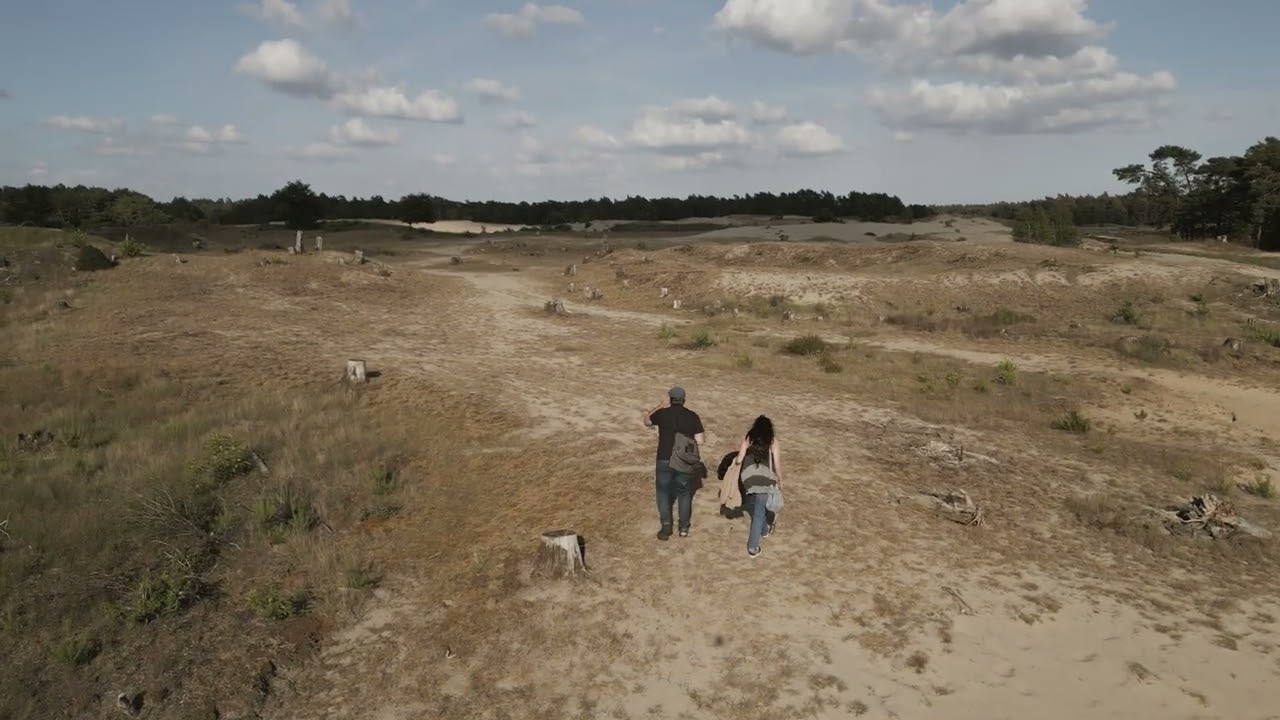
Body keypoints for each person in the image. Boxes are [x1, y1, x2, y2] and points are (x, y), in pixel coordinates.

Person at [643, 386, 705, 541]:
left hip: (664, 458)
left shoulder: (662, 414)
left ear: (670, 398)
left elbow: (646, 421)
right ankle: (683, 528)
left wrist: (659, 405)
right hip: (683, 461)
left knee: (663, 493)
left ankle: (666, 527)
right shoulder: (692, 416)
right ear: (684, 400)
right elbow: (700, 441)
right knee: (684, 493)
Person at [733, 415, 782, 558]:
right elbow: (777, 464)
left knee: (756, 506)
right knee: (760, 511)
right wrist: (780, 479)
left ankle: (764, 530)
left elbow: (739, 460)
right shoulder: (773, 441)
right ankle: (753, 547)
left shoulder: (748, 438)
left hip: (748, 478)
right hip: (764, 479)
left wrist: (735, 462)